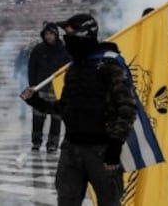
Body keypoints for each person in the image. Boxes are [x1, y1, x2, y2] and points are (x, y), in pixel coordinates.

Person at [20, 14, 136, 206]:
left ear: (84, 33)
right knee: (66, 200)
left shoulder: (109, 65)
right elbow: (65, 108)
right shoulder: (73, 69)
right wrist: (36, 102)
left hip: (101, 151)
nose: (66, 38)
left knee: (109, 202)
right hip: (71, 149)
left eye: (70, 32)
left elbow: (127, 108)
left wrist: (115, 145)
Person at [28, 22, 70, 153]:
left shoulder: (64, 50)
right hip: (40, 89)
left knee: (56, 119)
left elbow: (69, 68)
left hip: (57, 91)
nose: (49, 36)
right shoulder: (38, 49)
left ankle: (52, 144)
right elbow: (32, 67)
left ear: (56, 34)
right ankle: (36, 142)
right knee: (38, 118)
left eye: (51, 33)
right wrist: (33, 85)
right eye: (46, 34)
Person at [13, 43, 33, 120]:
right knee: (25, 95)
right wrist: (15, 73)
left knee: (31, 95)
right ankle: (23, 113)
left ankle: (27, 113)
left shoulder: (31, 53)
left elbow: (17, 63)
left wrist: (15, 73)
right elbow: (18, 63)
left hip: (30, 77)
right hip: (24, 76)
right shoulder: (23, 53)